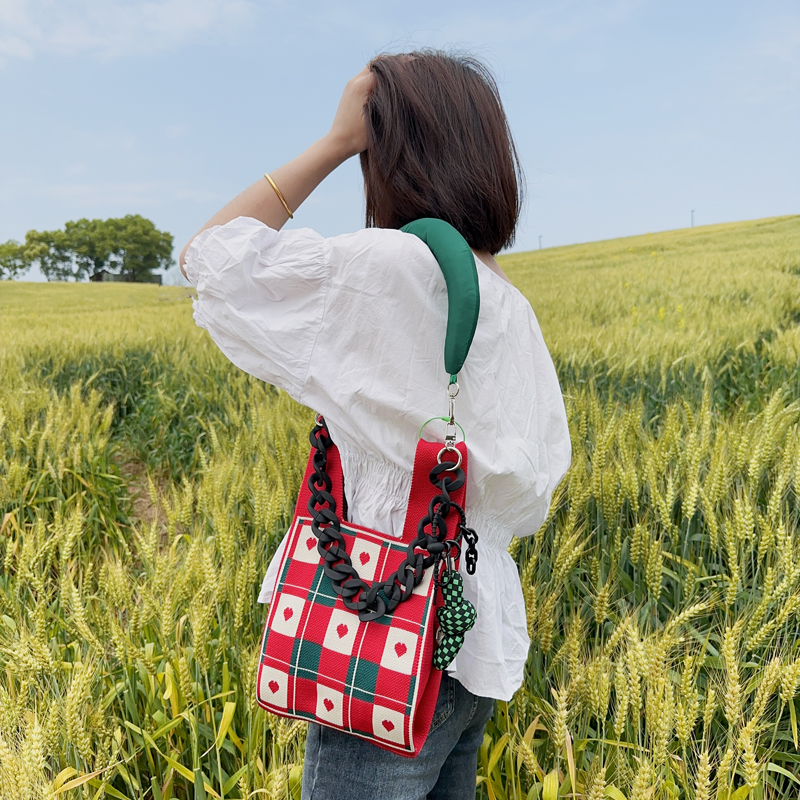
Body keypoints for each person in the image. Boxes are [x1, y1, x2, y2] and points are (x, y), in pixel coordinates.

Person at [181, 50, 570, 800]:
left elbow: (209, 260)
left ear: (384, 149)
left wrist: (333, 142)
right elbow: (531, 497)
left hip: (380, 629)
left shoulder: (384, 266)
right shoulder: (511, 307)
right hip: (469, 638)